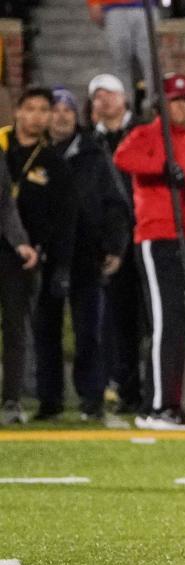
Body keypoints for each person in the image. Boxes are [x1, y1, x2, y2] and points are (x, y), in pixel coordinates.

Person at [113, 73, 185, 430]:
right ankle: (157, 406)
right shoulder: (148, 135)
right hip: (159, 235)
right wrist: (160, 167)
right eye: (174, 100)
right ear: (161, 104)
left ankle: (171, 402)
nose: (181, 106)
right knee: (166, 322)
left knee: (179, 323)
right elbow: (123, 158)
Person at [35, 87, 128, 421]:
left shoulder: (93, 152)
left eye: (68, 110)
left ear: (77, 115)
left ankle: (92, 398)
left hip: (87, 252)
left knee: (90, 330)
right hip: (44, 254)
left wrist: (116, 245)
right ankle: (49, 400)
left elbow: (115, 203)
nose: (61, 116)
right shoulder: (35, 153)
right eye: (55, 109)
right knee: (45, 328)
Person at [0, 87, 78, 424]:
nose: (36, 116)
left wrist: (46, 252)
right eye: (29, 108)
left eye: (42, 110)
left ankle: (12, 400)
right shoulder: (2, 147)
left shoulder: (53, 161)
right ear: (17, 111)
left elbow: (61, 215)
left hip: (22, 254)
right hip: (16, 244)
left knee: (16, 328)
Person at [89, 73, 144, 416]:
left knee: (145, 320)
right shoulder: (92, 140)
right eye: (97, 97)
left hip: (145, 234)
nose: (102, 102)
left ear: (123, 98)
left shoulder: (140, 133)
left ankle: (143, 387)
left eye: (108, 95)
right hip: (111, 239)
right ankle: (122, 386)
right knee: (116, 318)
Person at [0, 147, 38, 425]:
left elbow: (4, 203)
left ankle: (11, 399)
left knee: (15, 325)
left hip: (6, 252)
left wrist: (20, 241)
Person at [86, 0, 155, 106]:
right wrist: (94, 3)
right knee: (119, 64)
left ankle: (155, 107)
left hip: (146, 7)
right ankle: (124, 108)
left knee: (151, 62)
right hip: (114, 7)